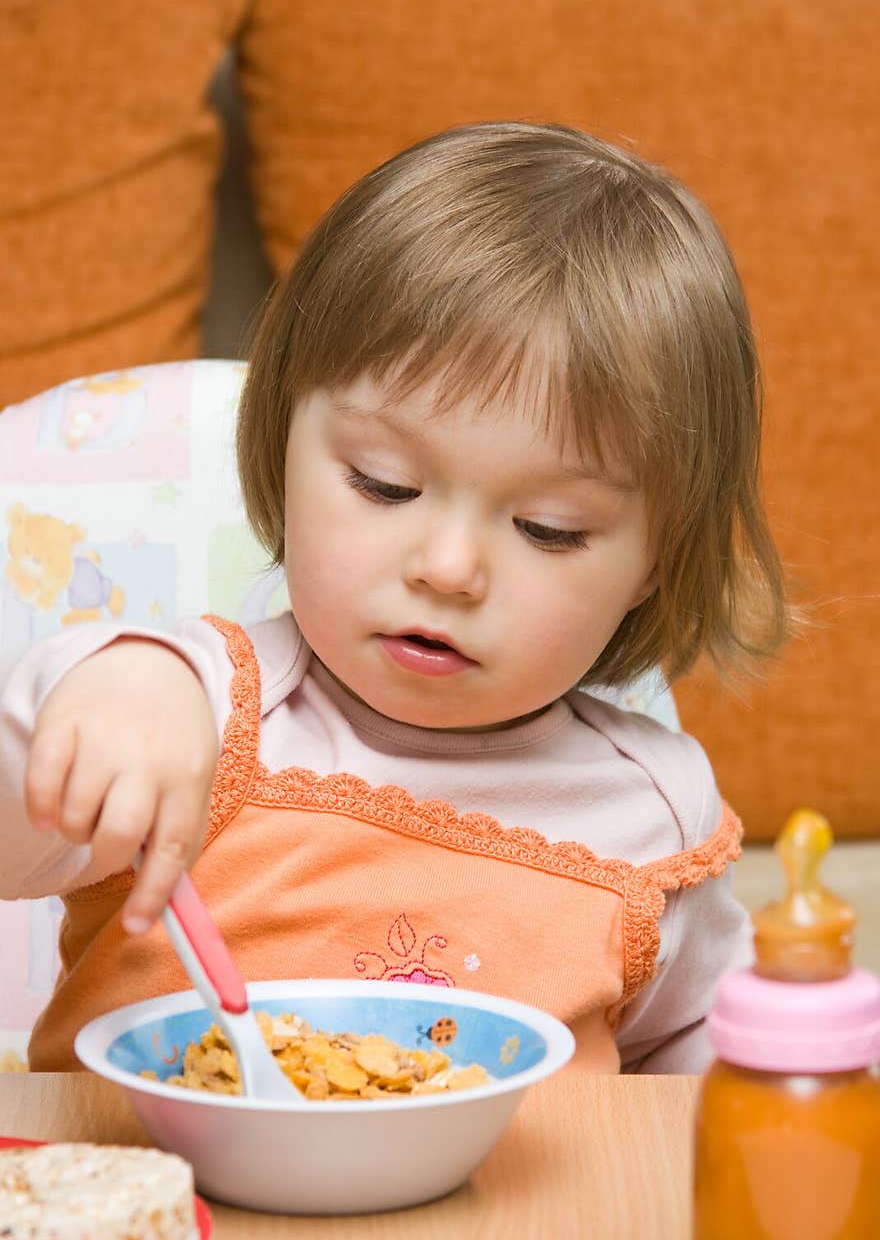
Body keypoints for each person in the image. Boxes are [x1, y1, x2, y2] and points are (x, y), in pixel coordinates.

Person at [0, 122, 790, 1074]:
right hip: (169, 1217)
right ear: (283, 444)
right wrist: (109, 691)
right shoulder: (194, 713)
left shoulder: (654, 818)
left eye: (548, 529)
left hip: (509, 1230)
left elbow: (694, 1070)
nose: (448, 568)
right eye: (383, 483)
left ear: (658, 560)